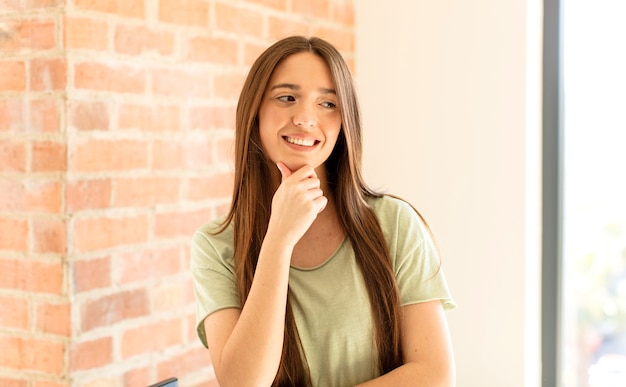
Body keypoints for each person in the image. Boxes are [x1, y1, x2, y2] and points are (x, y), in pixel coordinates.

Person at [191, 36, 456, 387]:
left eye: (328, 103)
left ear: (344, 122)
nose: (305, 118)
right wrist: (278, 240)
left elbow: (434, 377)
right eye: (287, 97)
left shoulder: (394, 223)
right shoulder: (216, 245)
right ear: (254, 111)